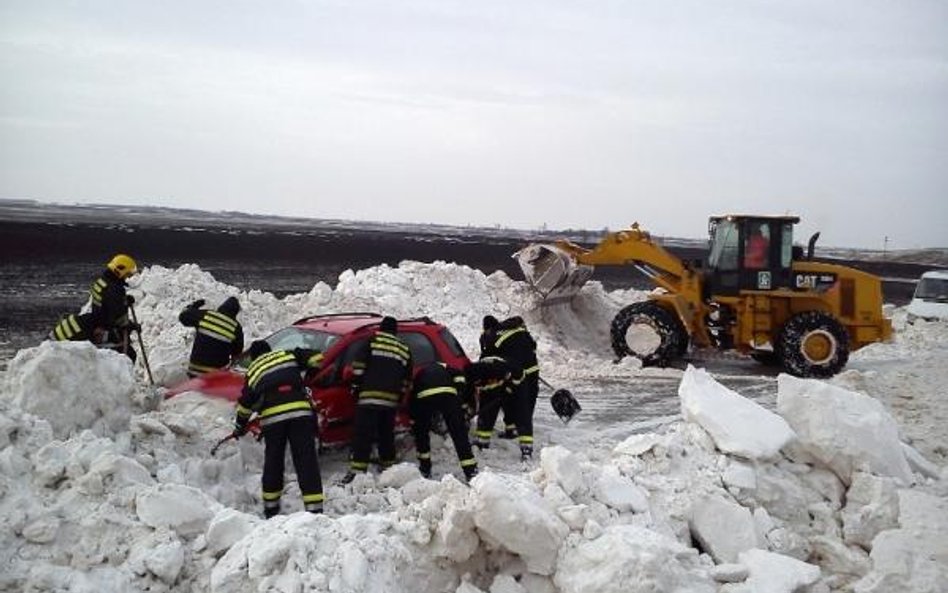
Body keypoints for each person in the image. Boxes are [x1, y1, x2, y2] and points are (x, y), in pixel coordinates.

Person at [234, 340, 325, 518]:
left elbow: (245, 405)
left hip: (273, 419)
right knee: (306, 459)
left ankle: (271, 509)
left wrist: (240, 426)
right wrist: (307, 379)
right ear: (270, 351)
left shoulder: (254, 370)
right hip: (300, 413)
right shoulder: (287, 355)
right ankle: (315, 510)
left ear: (253, 357)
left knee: (273, 461)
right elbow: (318, 357)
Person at [342, 316, 413, 482]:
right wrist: (399, 397)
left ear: (381, 328)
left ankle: (357, 472)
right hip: (389, 401)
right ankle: (388, 468)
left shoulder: (371, 341)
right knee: (386, 435)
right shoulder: (403, 348)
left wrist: (356, 386)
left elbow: (358, 367)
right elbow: (406, 380)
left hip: (368, 398)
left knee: (363, 435)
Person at [409, 361, 478, 482]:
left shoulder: (421, 372)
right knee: (459, 434)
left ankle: (425, 469)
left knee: (422, 434)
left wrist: (415, 418)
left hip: (424, 397)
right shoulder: (446, 367)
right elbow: (460, 378)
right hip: (448, 395)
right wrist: (460, 397)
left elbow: (413, 394)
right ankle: (471, 471)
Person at [492, 316, 540, 459]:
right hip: (529, 371)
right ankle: (518, 428)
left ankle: (513, 429)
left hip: (517, 372)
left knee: (511, 401)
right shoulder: (522, 334)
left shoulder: (500, 335)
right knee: (527, 404)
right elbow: (532, 348)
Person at [466, 355, 522, 453]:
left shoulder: (498, 369)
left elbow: (518, 374)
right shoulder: (471, 376)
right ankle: (483, 440)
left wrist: (510, 387)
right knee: (486, 412)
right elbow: (471, 394)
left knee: (507, 406)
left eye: (479, 382)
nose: (479, 384)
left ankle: (511, 431)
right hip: (491, 386)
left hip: (509, 383)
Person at [89, 254, 141, 361]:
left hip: (97, 324)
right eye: (127, 274)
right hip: (109, 332)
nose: (127, 277)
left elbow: (106, 304)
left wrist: (124, 301)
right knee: (128, 357)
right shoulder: (114, 289)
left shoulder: (102, 281)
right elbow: (116, 316)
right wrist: (131, 326)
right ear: (119, 270)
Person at [178, 296, 244, 377]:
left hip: (194, 371)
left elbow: (183, 317)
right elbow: (237, 354)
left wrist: (194, 305)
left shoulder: (206, 315)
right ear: (235, 313)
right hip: (215, 377)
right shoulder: (236, 328)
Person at [479, 314, 518, 439]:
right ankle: (510, 429)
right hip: (505, 371)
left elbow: (485, 354)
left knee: (490, 404)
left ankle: (484, 436)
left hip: (493, 372)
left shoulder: (487, 336)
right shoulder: (500, 334)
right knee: (507, 401)